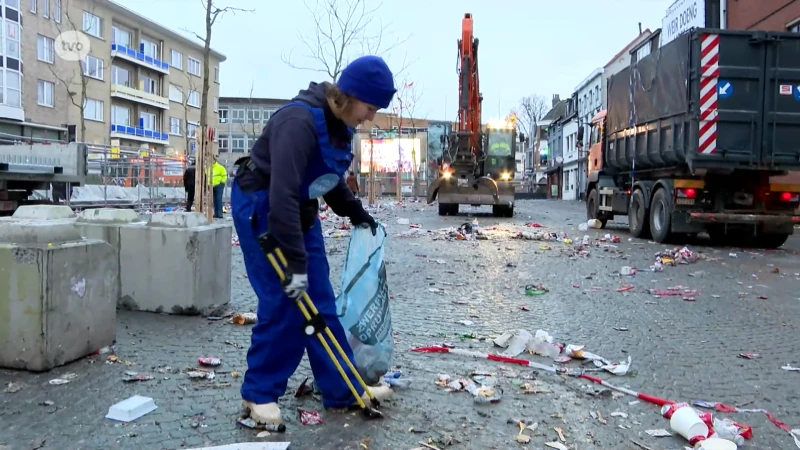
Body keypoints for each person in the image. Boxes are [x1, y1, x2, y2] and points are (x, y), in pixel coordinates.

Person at [230, 55, 396, 426]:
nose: (370, 117)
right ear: (350, 96)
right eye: (370, 108)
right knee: (286, 300)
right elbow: (282, 195)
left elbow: (326, 177)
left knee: (319, 301)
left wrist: (354, 211)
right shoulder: (297, 122)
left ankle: (342, 390)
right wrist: (295, 266)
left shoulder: (340, 125)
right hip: (264, 205)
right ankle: (258, 394)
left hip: (297, 209)